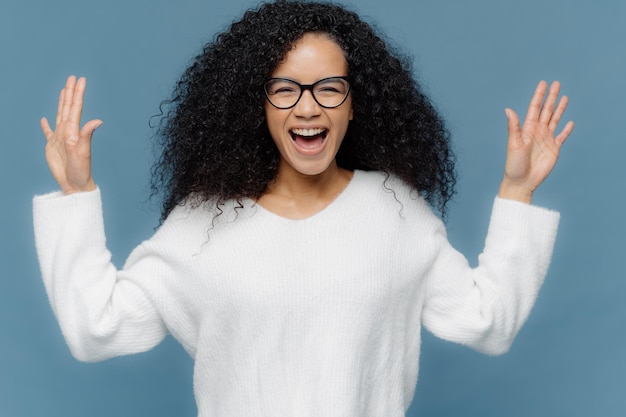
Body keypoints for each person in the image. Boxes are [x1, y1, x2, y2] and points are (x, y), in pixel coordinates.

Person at [33, 1, 574, 416]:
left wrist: (517, 192)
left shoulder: (396, 213)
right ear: (259, 103)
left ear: (355, 103)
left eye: (329, 88)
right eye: (285, 89)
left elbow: (488, 323)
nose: (309, 106)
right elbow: (95, 329)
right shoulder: (202, 223)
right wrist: (78, 196)